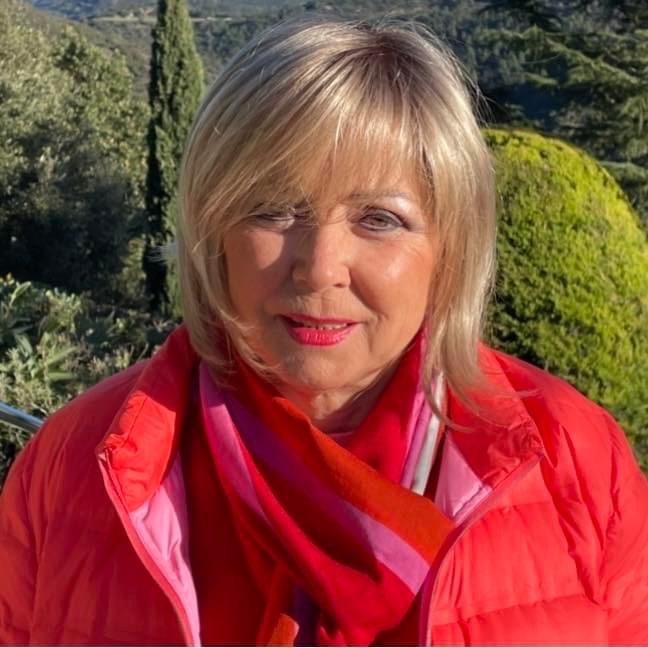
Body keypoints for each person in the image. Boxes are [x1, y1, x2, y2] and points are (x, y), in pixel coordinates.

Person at [0, 15, 646, 647]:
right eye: (274, 210)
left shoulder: (576, 461)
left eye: (379, 219)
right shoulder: (72, 465)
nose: (319, 268)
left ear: (450, 248)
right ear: (213, 232)